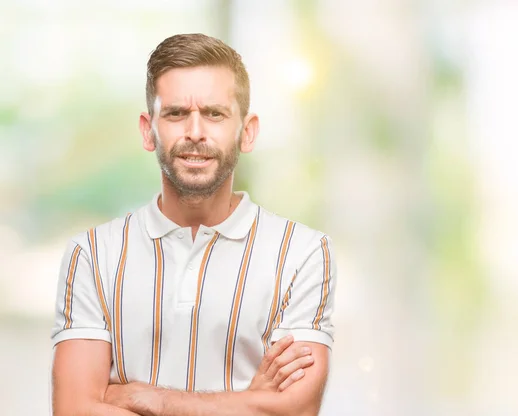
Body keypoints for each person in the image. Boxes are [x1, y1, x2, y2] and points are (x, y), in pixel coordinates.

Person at [50, 33, 337, 416]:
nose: (196, 132)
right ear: (147, 129)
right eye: (176, 114)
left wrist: (150, 398)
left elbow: (295, 411)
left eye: (215, 114)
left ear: (247, 131)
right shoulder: (92, 254)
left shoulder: (302, 253)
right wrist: (246, 403)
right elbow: (75, 410)